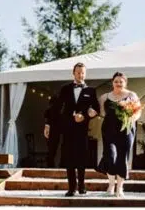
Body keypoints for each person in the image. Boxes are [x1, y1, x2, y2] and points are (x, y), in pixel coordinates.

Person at [45, 62, 98, 197]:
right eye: (78, 72)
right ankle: (71, 188)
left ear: (85, 74)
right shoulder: (65, 89)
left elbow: (96, 109)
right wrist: (48, 124)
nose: (80, 75)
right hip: (67, 129)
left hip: (82, 130)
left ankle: (82, 186)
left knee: (81, 158)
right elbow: (55, 107)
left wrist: (85, 116)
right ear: (73, 73)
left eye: (83, 73)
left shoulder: (91, 91)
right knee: (69, 158)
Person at [97, 72, 142, 197]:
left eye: (121, 81)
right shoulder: (104, 97)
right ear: (112, 82)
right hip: (109, 129)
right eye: (116, 81)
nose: (118, 84)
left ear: (125, 83)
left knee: (122, 157)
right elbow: (100, 112)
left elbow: (138, 111)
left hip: (126, 130)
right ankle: (111, 184)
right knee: (110, 155)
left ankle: (120, 187)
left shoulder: (131, 95)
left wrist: (132, 118)